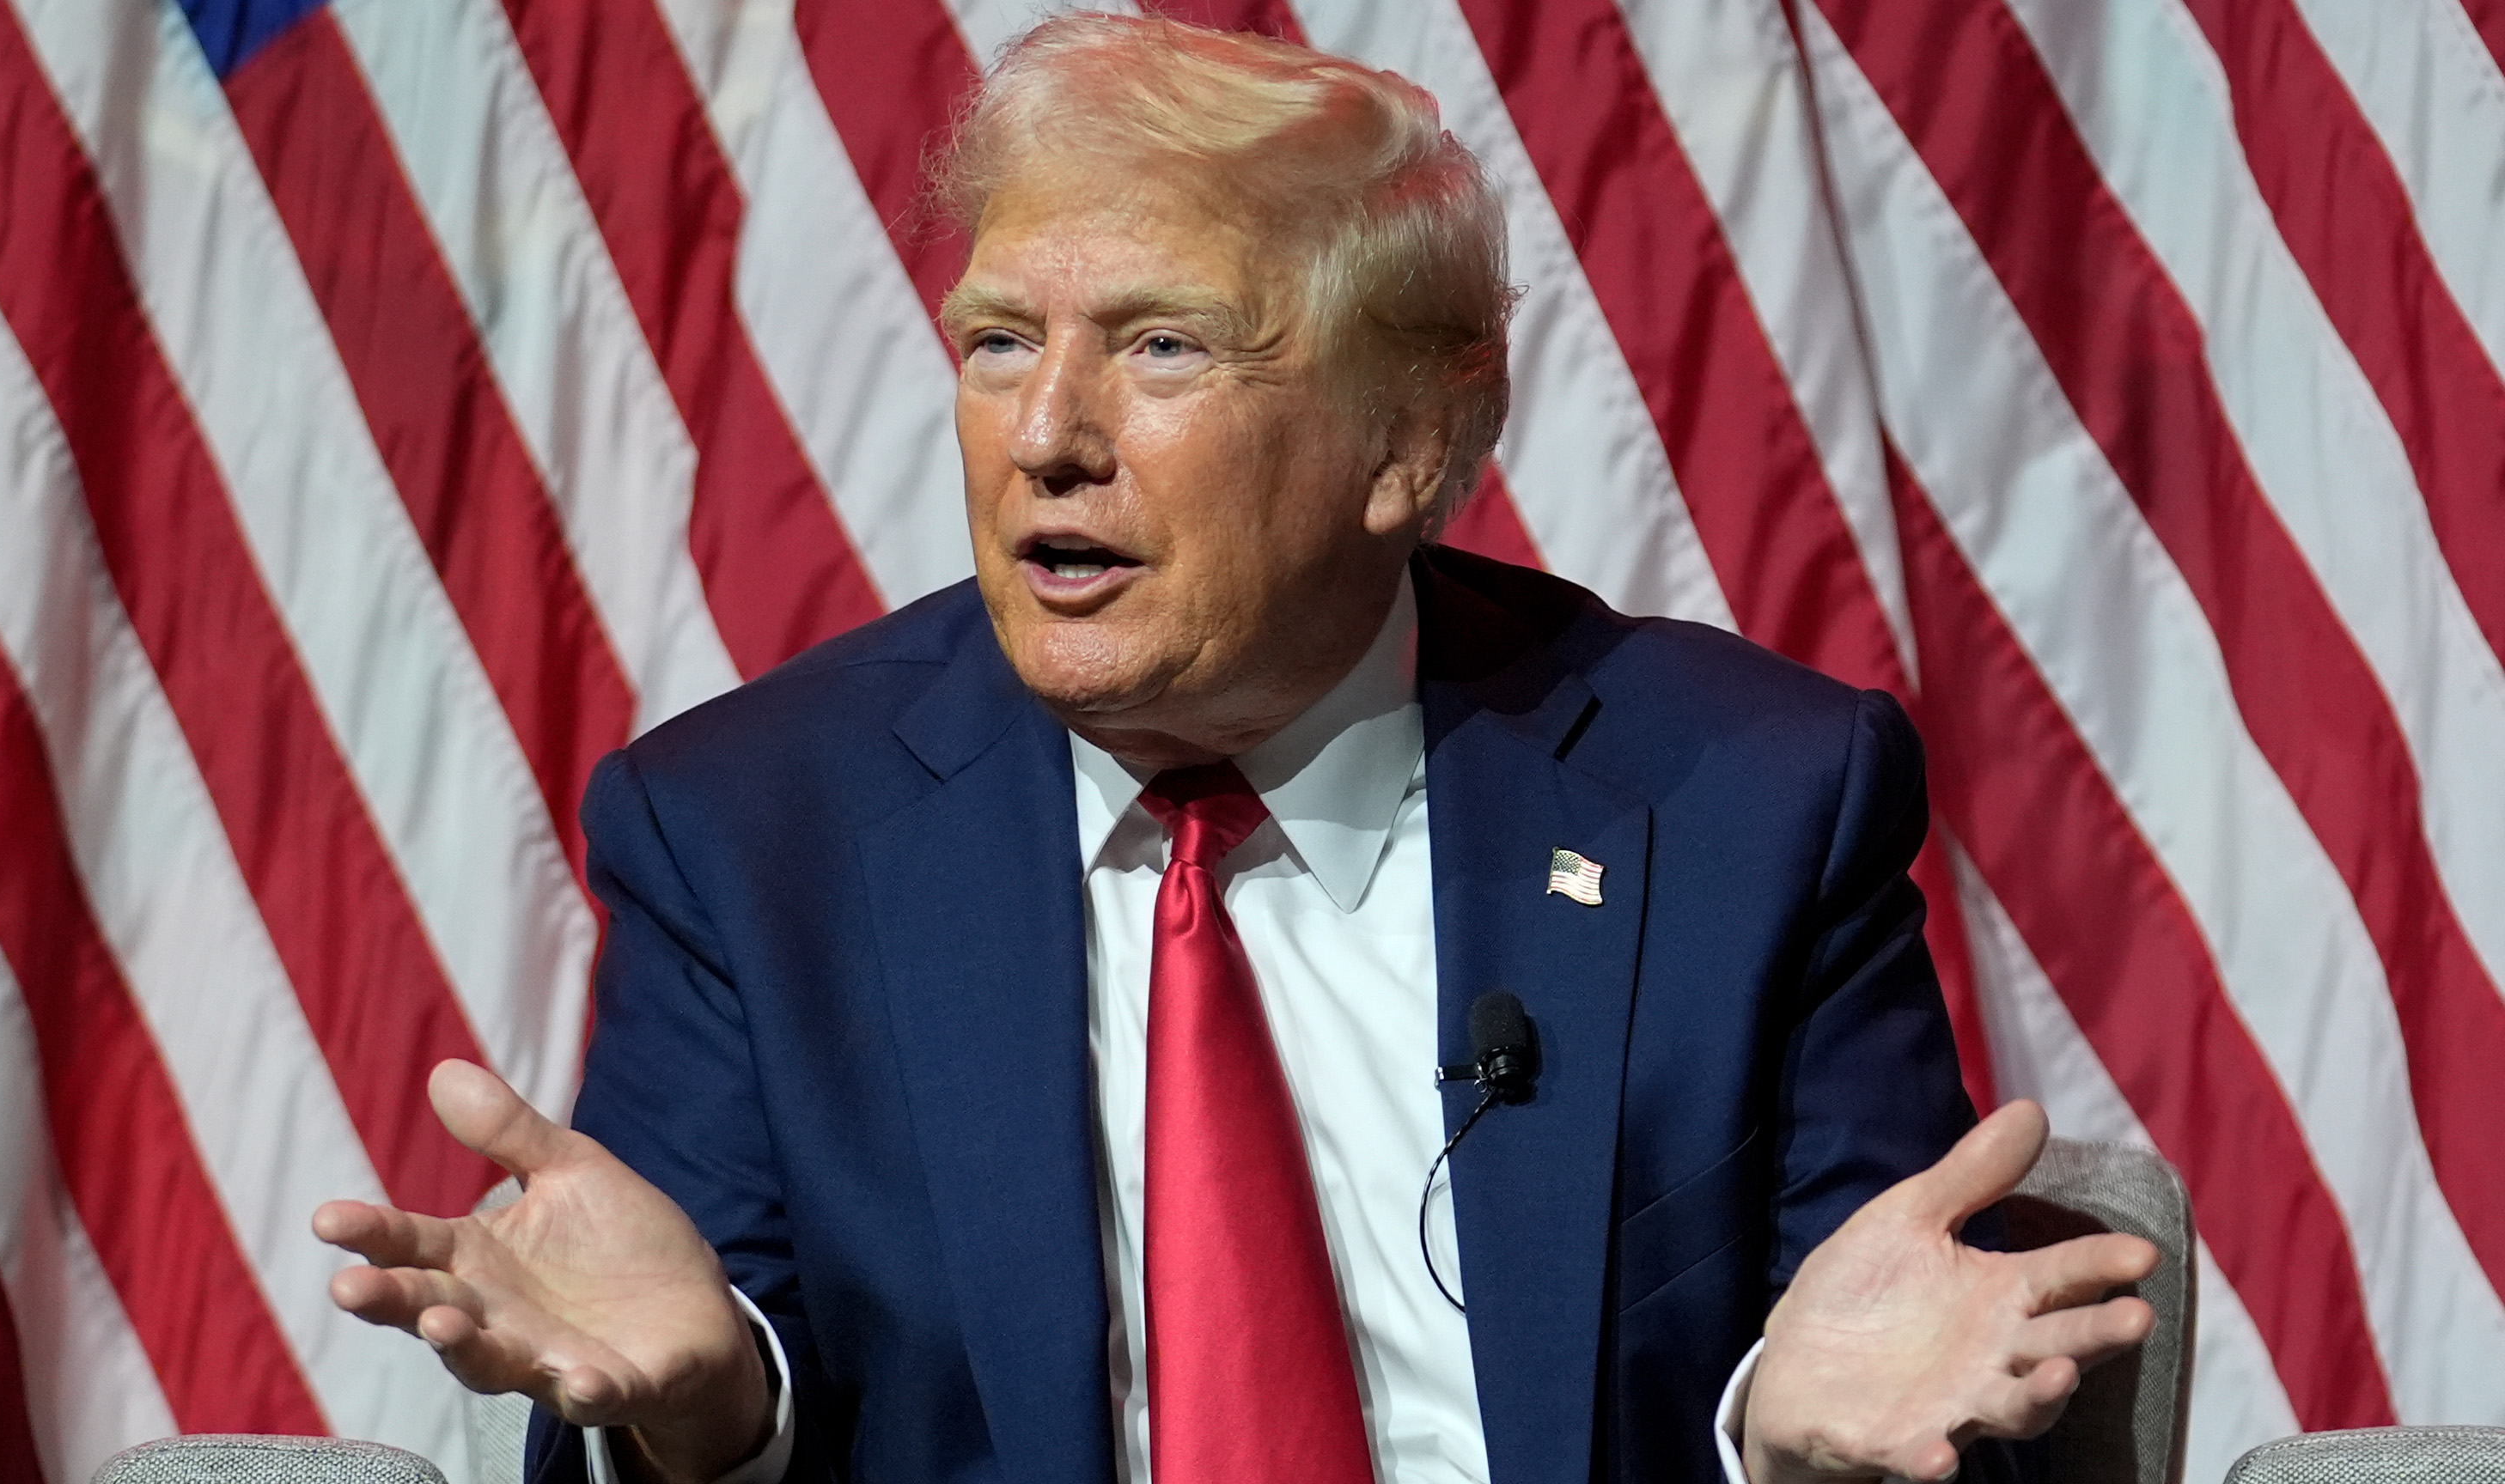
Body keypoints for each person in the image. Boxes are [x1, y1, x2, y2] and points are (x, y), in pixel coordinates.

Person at [314, 16, 2156, 1484]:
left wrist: (1788, 1447)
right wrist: (717, 1411)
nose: (1047, 433)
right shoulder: (751, 829)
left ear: (1413, 444)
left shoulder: (1746, 799)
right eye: (998, 339)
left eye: (1164, 347)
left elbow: (1888, 1348)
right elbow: (693, 1359)